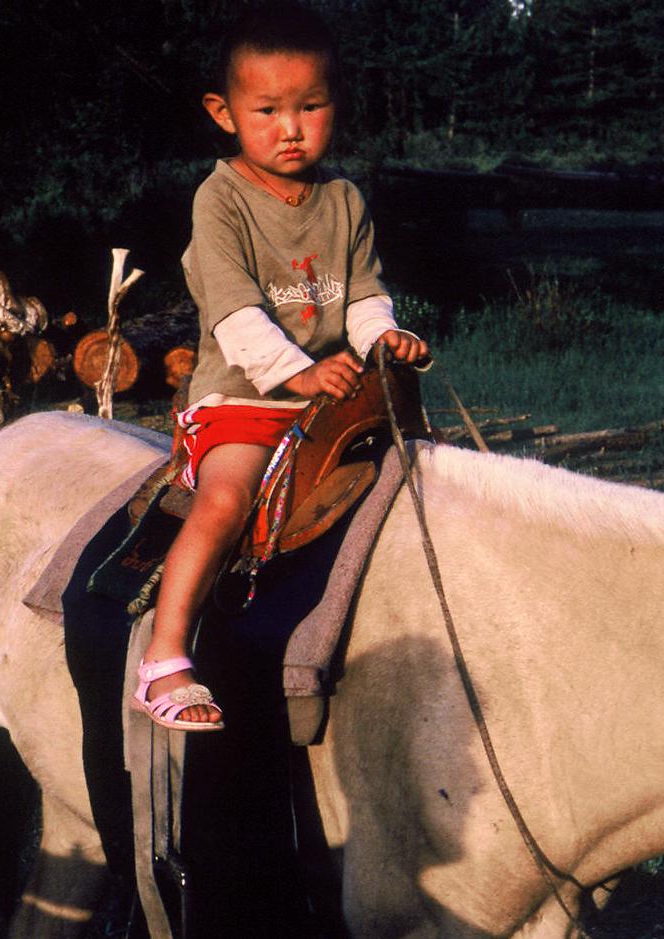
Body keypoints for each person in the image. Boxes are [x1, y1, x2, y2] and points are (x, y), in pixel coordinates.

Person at [131, 3, 429, 732]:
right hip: (243, 397)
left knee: (420, 477)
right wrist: (296, 374)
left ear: (335, 105)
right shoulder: (220, 199)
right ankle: (165, 655)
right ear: (224, 112)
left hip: (327, 397)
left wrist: (384, 339)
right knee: (228, 497)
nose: (290, 129)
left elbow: (362, 294)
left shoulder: (343, 199)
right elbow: (234, 316)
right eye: (266, 110)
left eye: (310, 107)